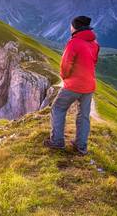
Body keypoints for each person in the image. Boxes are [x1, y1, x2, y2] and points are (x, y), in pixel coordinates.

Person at [44, 15, 100, 155]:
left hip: (74, 85)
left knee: (58, 108)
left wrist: (65, 77)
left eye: (71, 25)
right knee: (84, 115)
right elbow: (94, 62)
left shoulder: (74, 43)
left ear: (75, 27)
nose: (70, 28)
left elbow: (65, 64)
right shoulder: (95, 43)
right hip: (89, 85)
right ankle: (81, 147)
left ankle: (57, 141)